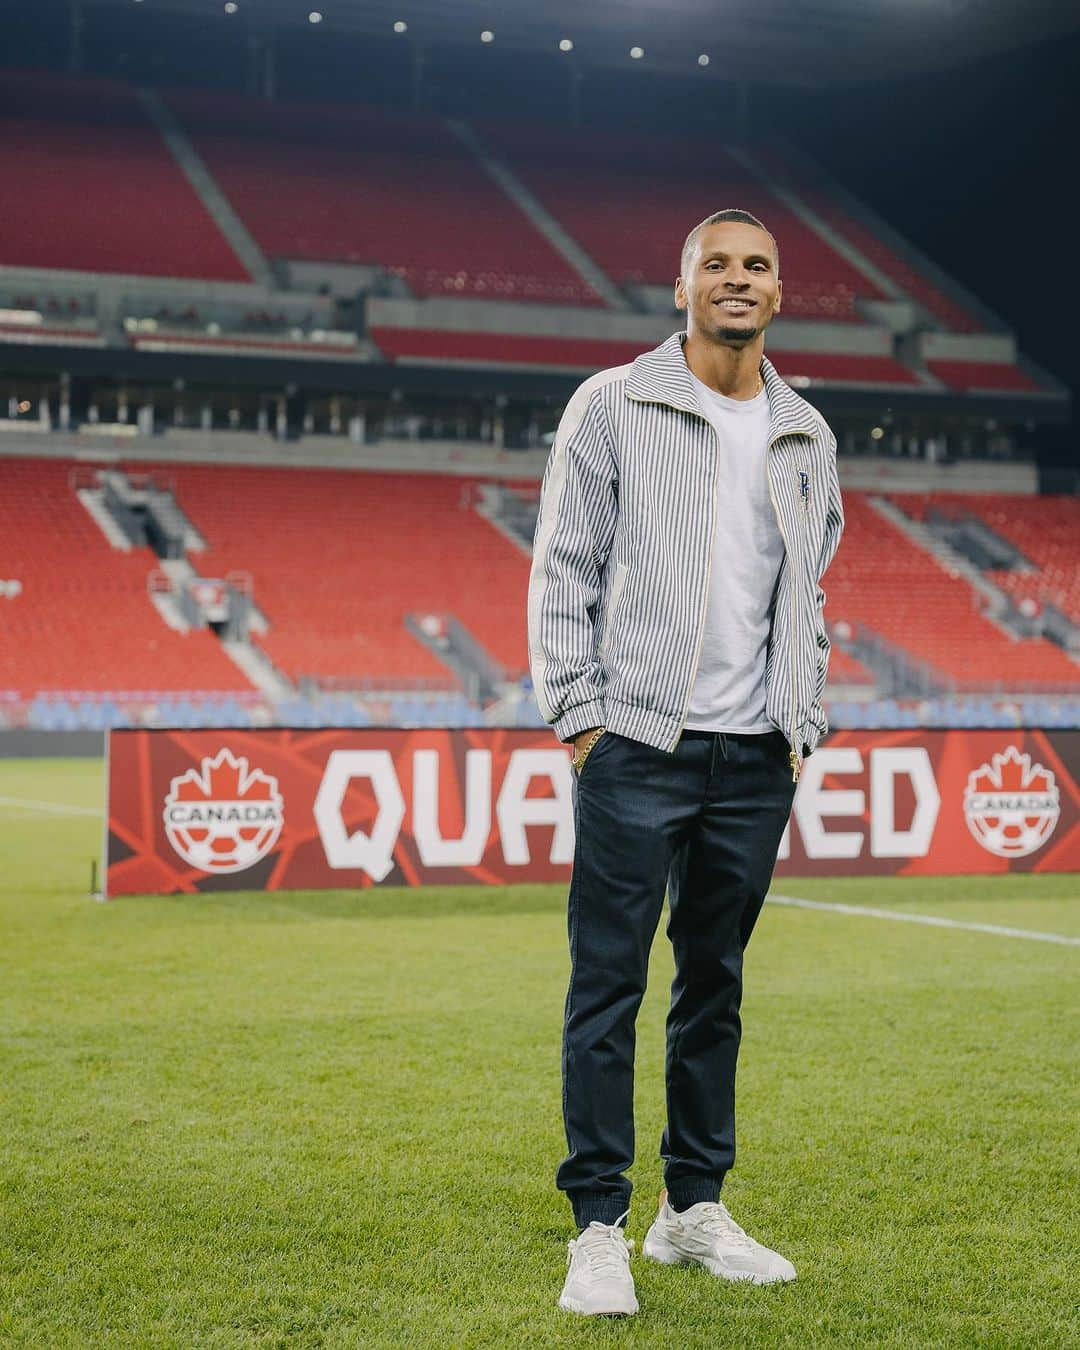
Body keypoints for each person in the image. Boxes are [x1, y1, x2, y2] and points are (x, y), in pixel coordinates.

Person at [527, 209, 844, 1317]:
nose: (738, 280)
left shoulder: (806, 431)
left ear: (778, 292)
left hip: (755, 755)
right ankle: (599, 1228)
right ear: (682, 289)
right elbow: (563, 563)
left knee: (714, 987)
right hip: (637, 745)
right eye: (717, 264)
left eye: (756, 265)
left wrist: (799, 729)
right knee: (607, 987)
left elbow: (806, 592)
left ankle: (691, 1212)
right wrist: (580, 723)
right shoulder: (614, 403)